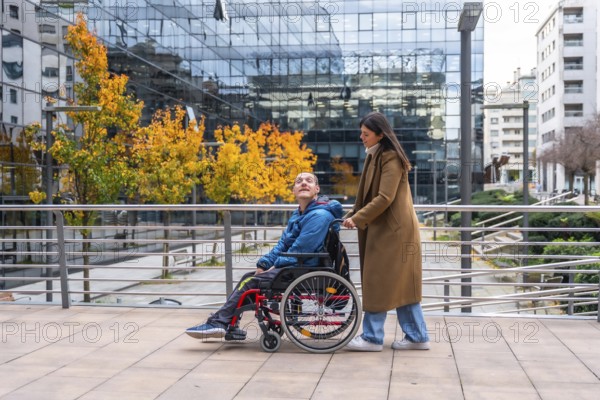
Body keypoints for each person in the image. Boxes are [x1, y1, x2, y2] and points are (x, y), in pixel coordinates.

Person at [186, 172, 343, 338]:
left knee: (251, 282)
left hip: (304, 267)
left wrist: (276, 265)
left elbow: (301, 249)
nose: (304, 183)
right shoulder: (300, 214)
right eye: (299, 181)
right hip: (298, 265)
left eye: (309, 181)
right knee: (249, 277)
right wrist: (264, 264)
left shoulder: (319, 216)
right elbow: (283, 244)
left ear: (316, 189)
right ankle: (228, 323)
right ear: (293, 190)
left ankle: (219, 322)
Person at [343, 111, 430, 352]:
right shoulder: (376, 155)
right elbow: (369, 196)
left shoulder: (389, 157)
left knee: (377, 280)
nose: (362, 138)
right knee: (401, 285)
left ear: (380, 134)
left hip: (393, 232)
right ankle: (417, 336)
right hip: (391, 229)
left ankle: (372, 337)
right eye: (361, 133)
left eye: (366, 134)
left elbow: (384, 197)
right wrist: (352, 215)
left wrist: (358, 218)